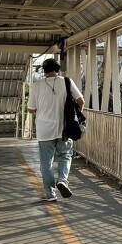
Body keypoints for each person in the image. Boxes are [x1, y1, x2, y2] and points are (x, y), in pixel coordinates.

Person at [27, 58, 84, 202]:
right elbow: (80, 101)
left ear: (44, 71)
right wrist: (73, 117)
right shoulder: (67, 82)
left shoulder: (36, 85)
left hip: (44, 130)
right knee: (65, 155)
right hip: (64, 128)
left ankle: (50, 194)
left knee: (46, 162)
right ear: (58, 69)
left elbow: (31, 109)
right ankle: (62, 181)